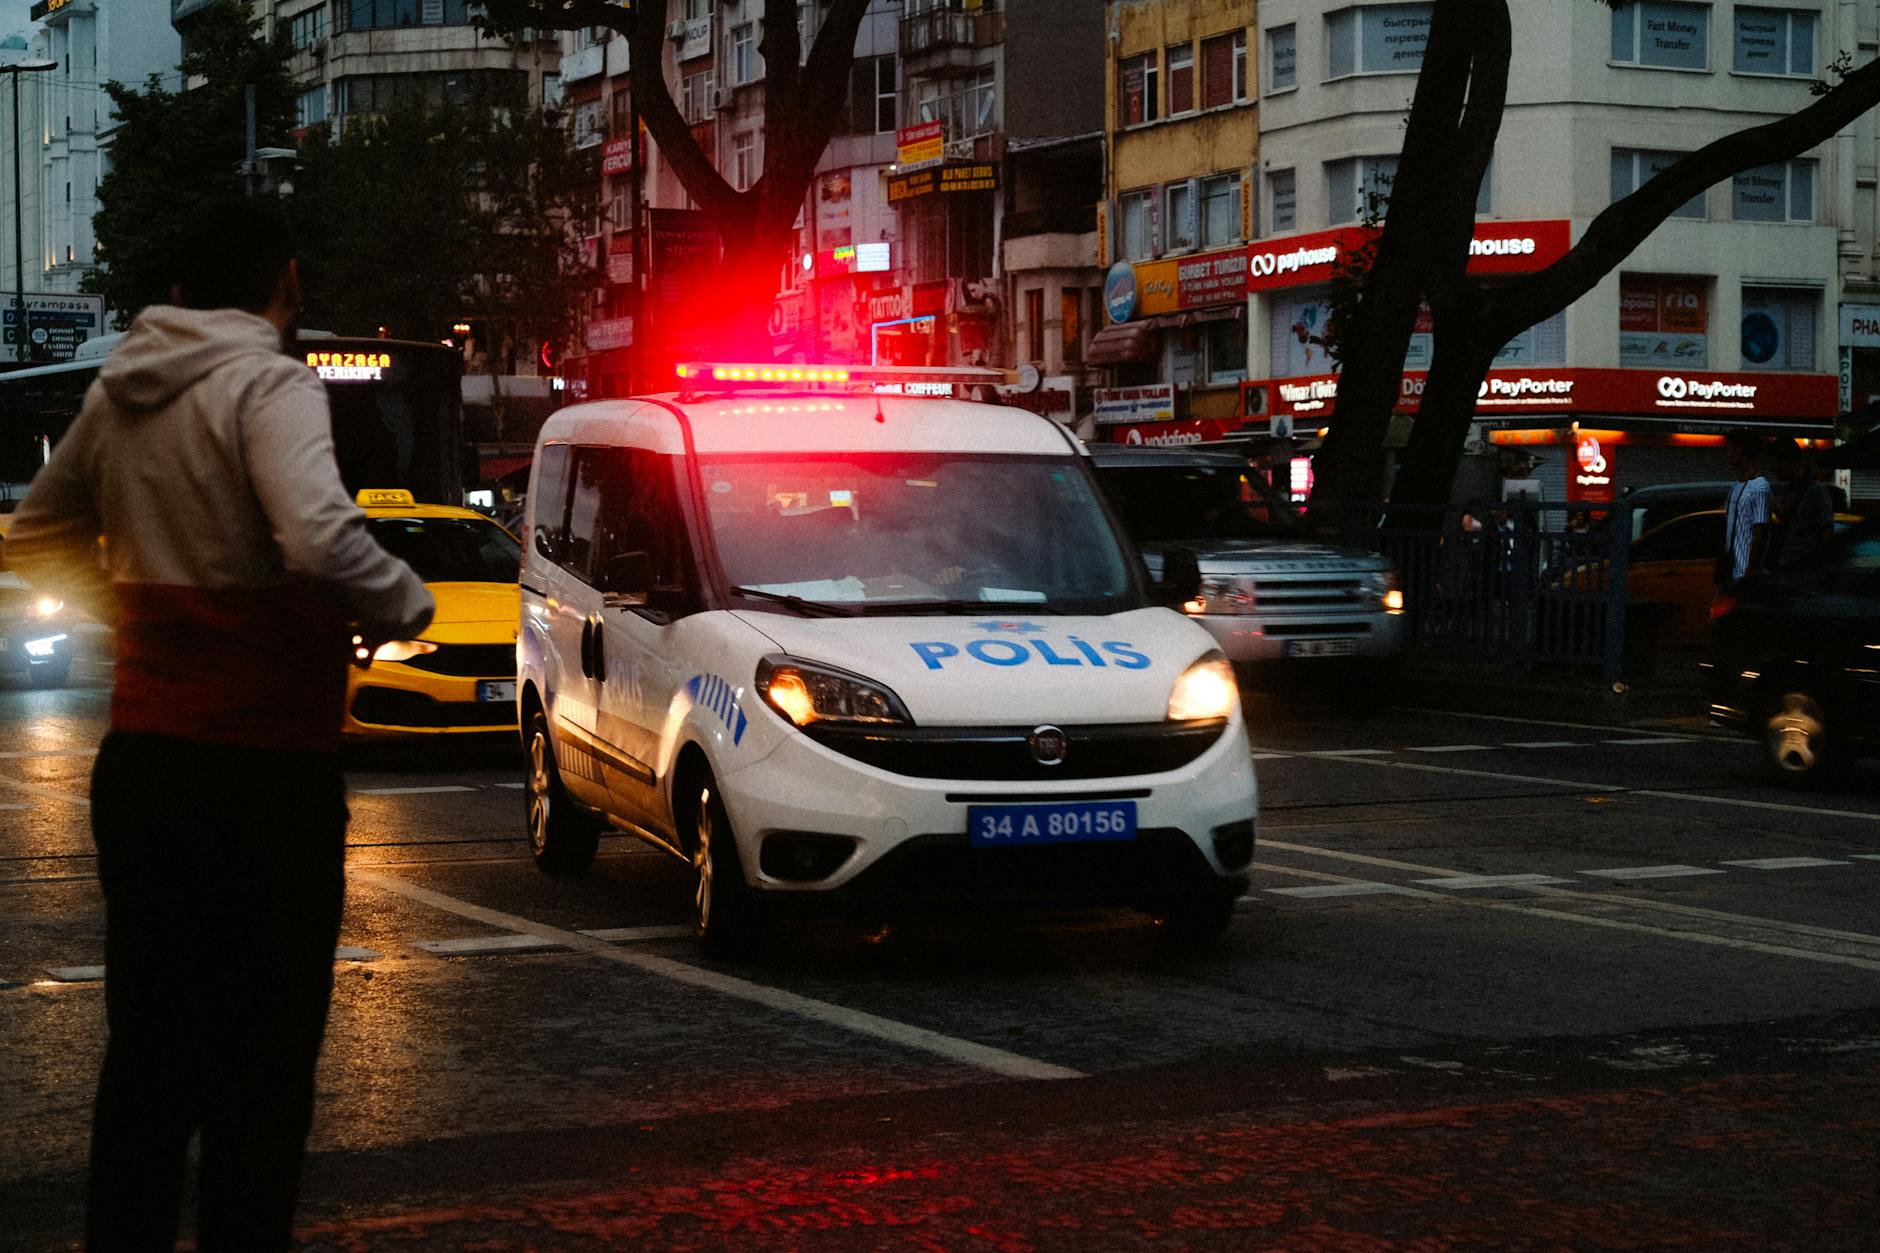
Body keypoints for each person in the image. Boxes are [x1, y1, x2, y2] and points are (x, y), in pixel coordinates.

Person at [4, 199, 434, 1250]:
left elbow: (34, 532)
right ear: (284, 284)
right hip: (266, 771)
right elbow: (318, 534)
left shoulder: (120, 392)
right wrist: (403, 602)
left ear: (182, 289)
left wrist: (130, 604)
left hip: (146, 761)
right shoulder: (269, 380)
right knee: (264, 1065)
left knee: (148, 1056)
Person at [1765, 437, 1836, 574]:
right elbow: (1791, 521)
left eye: (1774, 463)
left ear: (1786, 462)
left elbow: (1827, 533)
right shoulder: (1787, 490)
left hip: (1804, 569)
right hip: (1786, 564)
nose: (1772, 469)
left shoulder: (1816, 491)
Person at [1717, 431, 1773, 590]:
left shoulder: (1760, 487)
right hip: (1729, 573)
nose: (1729, 454)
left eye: (1731, 449)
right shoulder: (1736, 487)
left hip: (1744, 576)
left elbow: (1760, 532)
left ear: (1740, 451)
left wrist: (1750, 571)